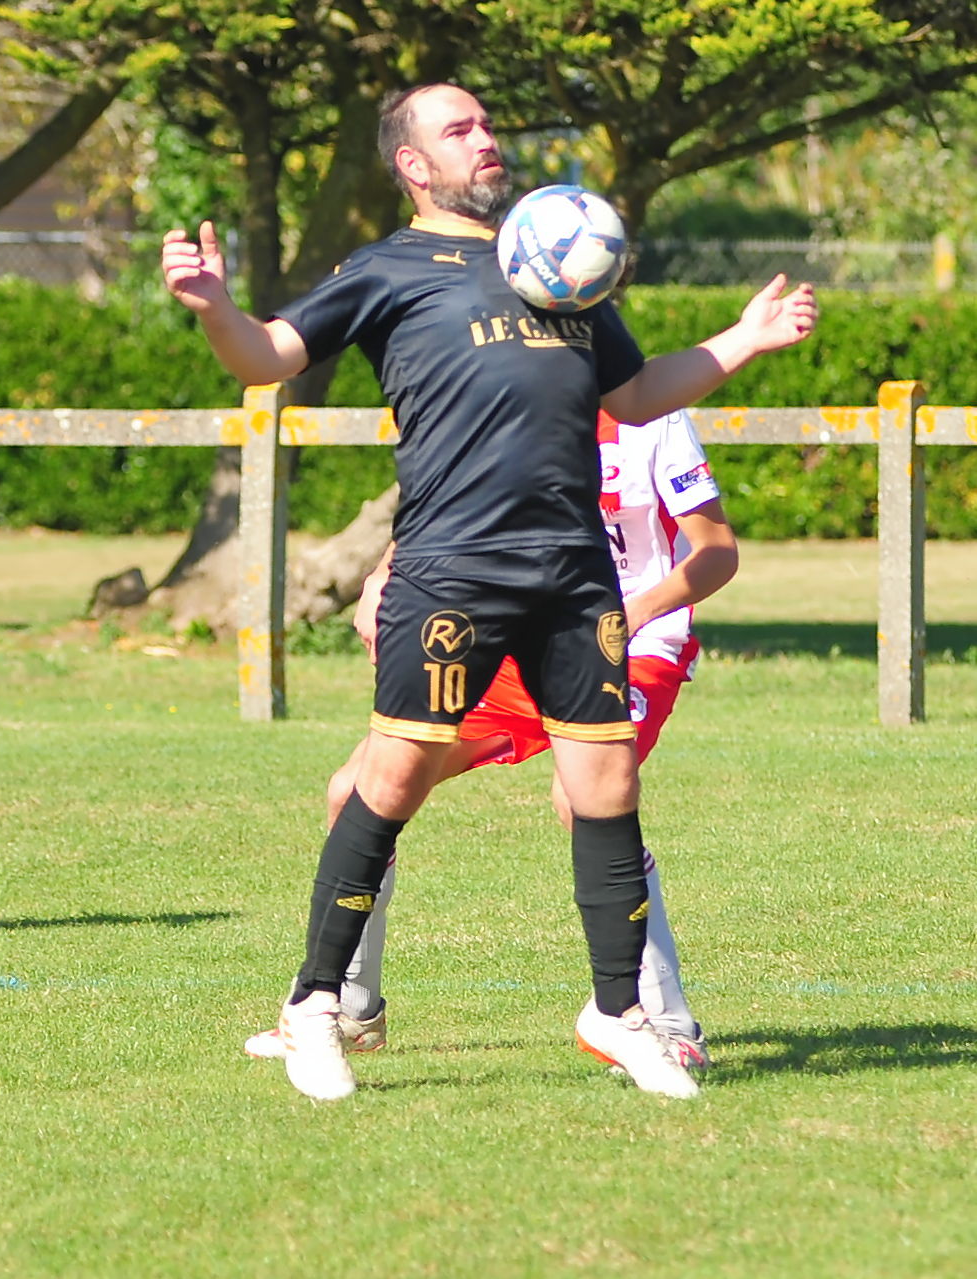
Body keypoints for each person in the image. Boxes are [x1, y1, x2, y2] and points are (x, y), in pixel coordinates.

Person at [161, 82, 817, 1103]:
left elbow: (636, 393)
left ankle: (619, 1013)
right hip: (451, 570)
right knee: (387, 780)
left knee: (605, 787)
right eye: (458, 129)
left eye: (486, 125)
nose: (486, 140)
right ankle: (317, 1008)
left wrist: (742, 339)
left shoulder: (556, 260)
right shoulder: (383, 269)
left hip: (574, 574)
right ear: (413, 164)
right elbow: (265, 357)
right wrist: (215, 308)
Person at [243, 406, 737, 1082]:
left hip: (632, 644)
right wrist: (383, 575)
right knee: (354, 788)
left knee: (583, 798)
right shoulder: (503, 390)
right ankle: (351, 1010)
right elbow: (439, 496)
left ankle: (667, 1024)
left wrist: (630, 613)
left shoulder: (651, 413)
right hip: (511, 640)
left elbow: (717, 550)